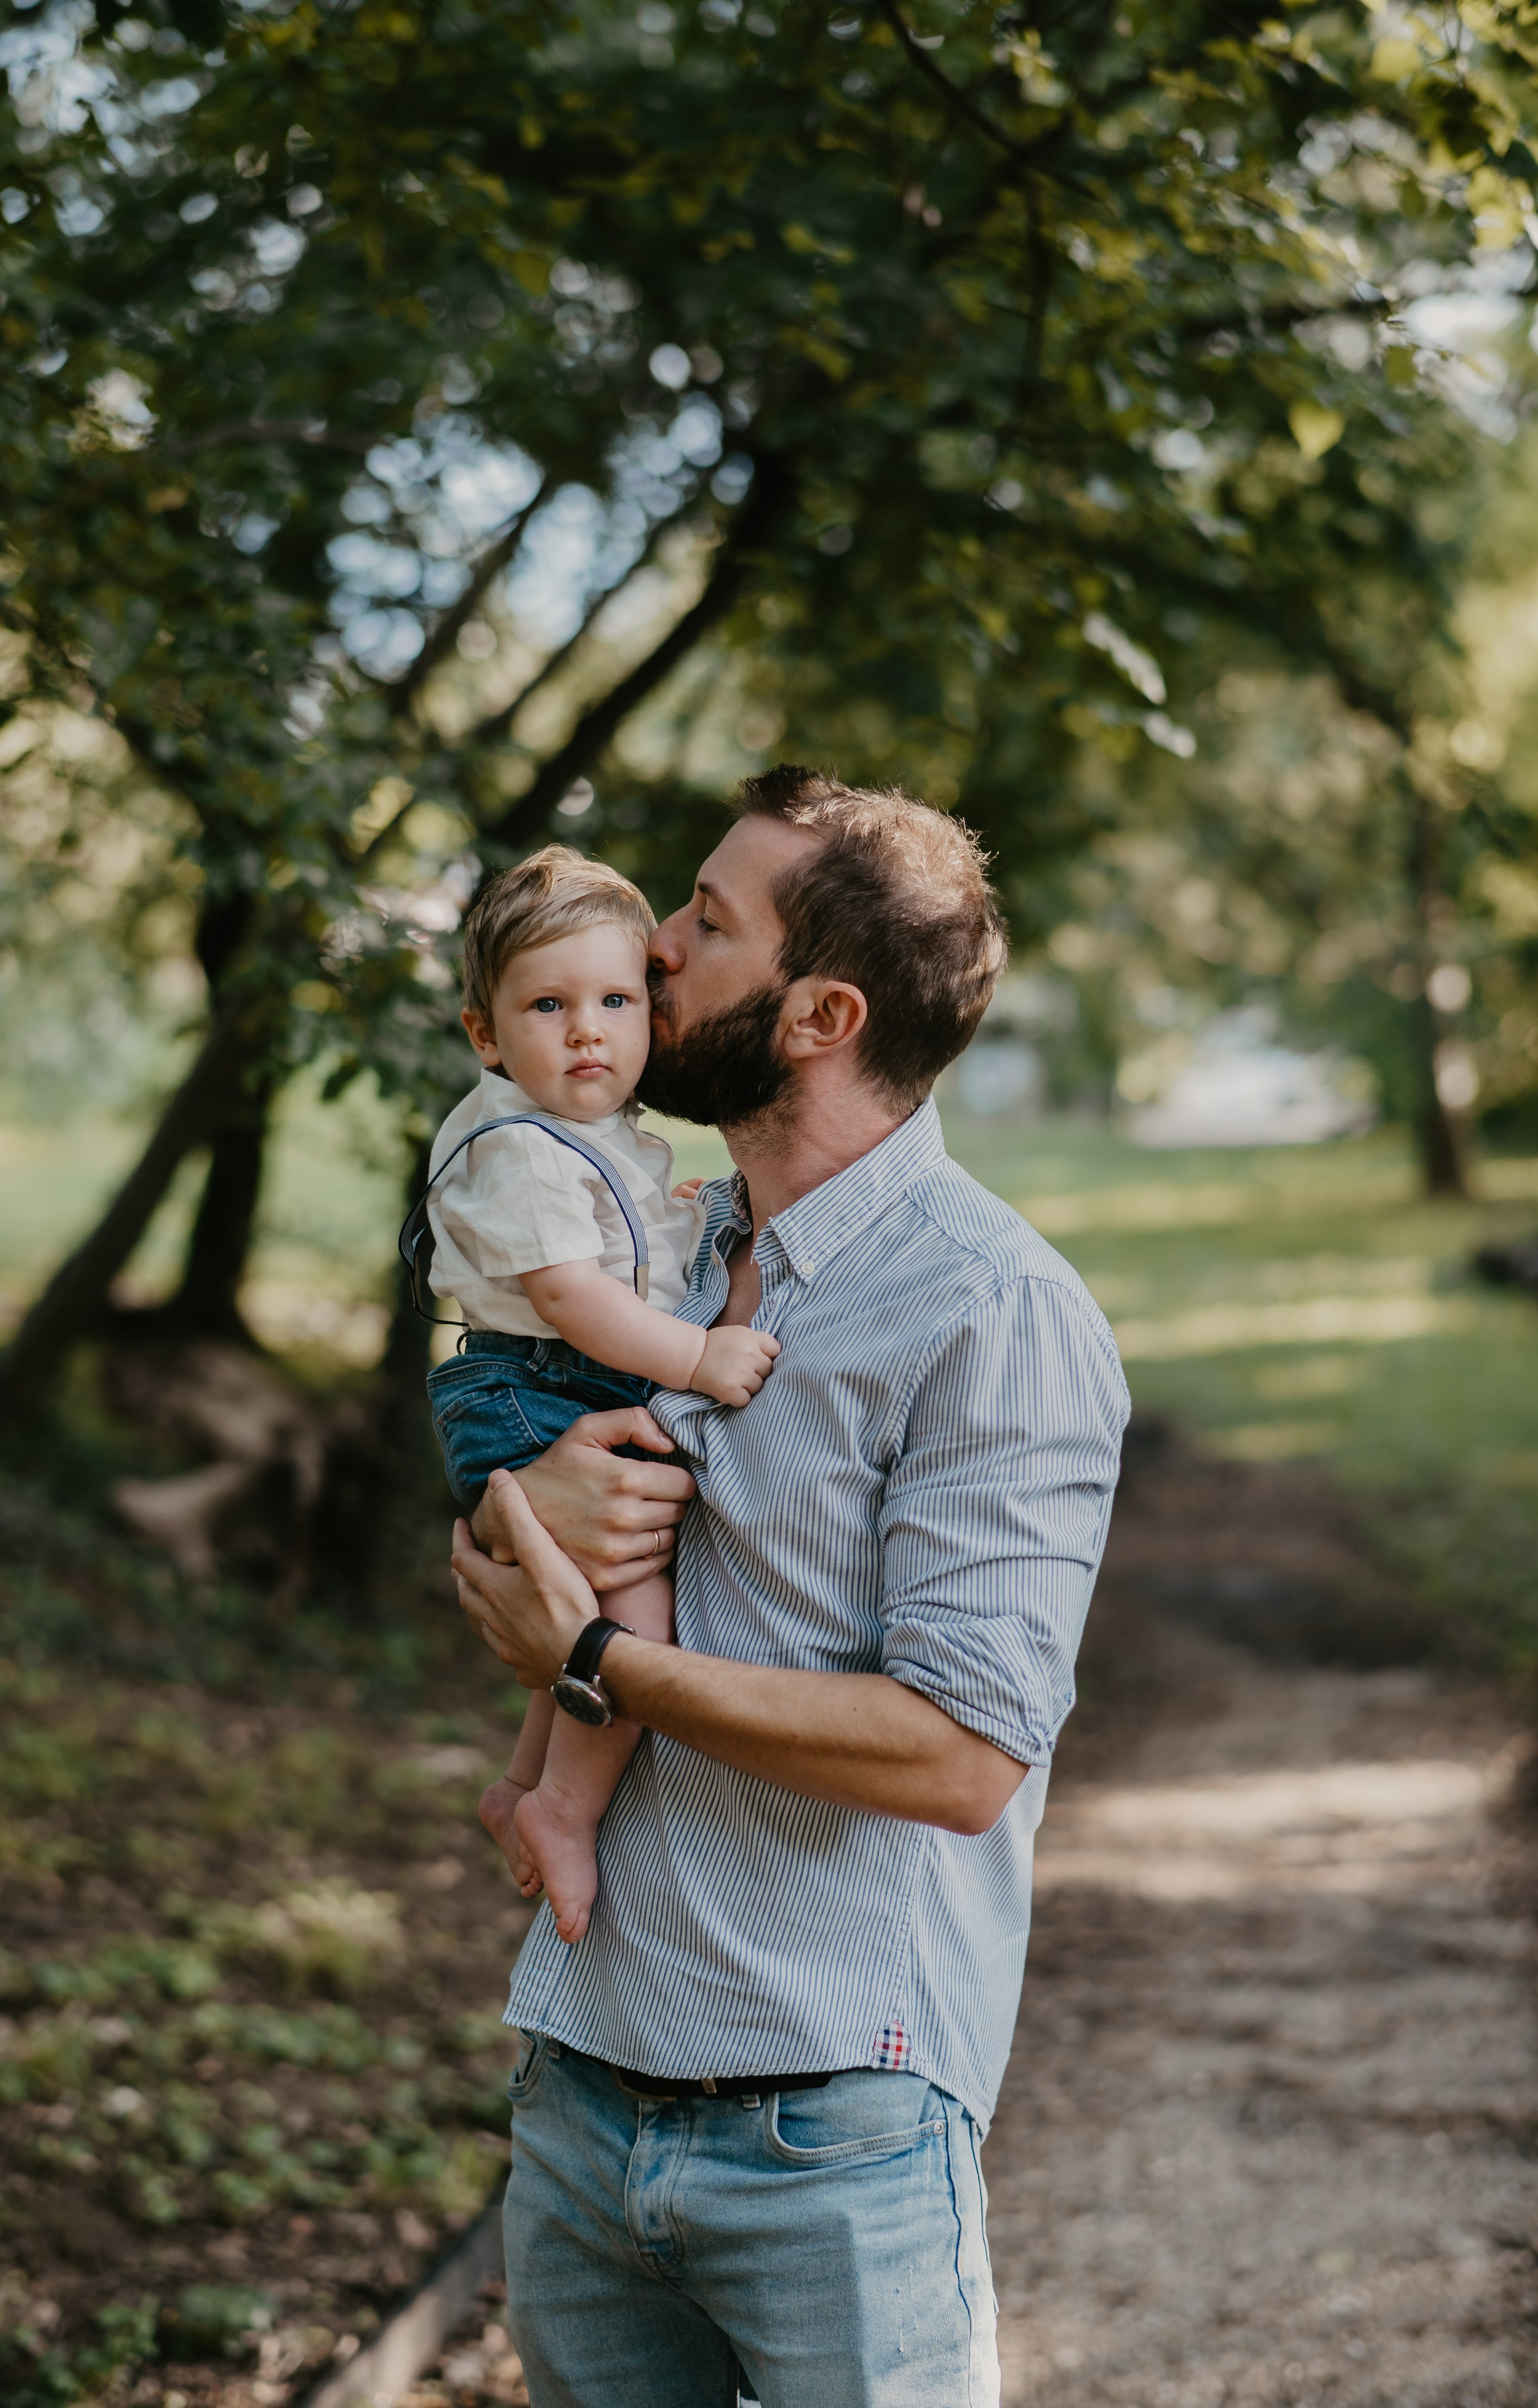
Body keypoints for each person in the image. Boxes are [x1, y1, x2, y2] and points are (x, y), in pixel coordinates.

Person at [452, 768, 1130, 2408]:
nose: (653, 950)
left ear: (821, 1013)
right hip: (581, 2083)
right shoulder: (652, 1249)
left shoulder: (994, 1314)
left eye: (704, 922)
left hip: (834, 2137)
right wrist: (499, 1527)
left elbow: (964, 1757)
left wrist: (606, 1661)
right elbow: (519, 1546)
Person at [423, 847, 777, 1943]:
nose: (589, 1030)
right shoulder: (520, 1148)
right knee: (631, 1605)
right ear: (487, 1034)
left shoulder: (586, 1135)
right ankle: (570, 1813)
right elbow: (577, 1301)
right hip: (534, 1385)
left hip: (555, 1379)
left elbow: (616, 1252)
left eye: (617, 999)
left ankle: (528, 1785)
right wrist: (695, 1357)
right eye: (549, 1004)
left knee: (579, 1593)